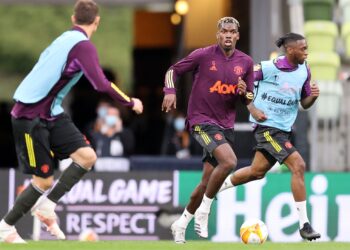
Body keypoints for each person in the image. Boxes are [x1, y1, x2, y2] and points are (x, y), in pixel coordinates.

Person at [0, 0, 143, 243]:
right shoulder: (83, 46)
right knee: (43, 180)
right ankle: (5, 227)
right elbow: (100, 84)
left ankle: (47, 207)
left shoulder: (63, 39)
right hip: (29, 117)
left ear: (72, 18)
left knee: (87, 157)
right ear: (96, 22)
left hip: (51, 113)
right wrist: (130, 101)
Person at [219, 33, 321, 241]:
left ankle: (214, 187)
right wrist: (252, 107)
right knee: (298, 166)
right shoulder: (266, 68)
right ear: (291, 50)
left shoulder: (305, 70)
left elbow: (304, 103)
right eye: (303, 49)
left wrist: (313, 97)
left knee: (256, 172)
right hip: (267, 127)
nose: (306, 52)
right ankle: (305, 225)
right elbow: (241, 84)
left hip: (284, 129)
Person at [162, 17, 254, 243]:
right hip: (201, 120)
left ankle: (181, 223)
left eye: (232, 31)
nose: (228, 35)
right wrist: (170, 91)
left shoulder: (247, 62)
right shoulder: (203, 55)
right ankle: (204, 211)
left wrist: (245, 93)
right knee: (230, 162)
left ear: (238, 36)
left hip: (225, 126)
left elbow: (250, 97)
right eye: (224, 31)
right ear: (218, 34)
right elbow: (173, 71)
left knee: (206, 182)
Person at [90, 106, 135, 171]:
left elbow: (130, 149)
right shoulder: (97, 134)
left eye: (114, 115)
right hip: (100, 171)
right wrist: (102, 132)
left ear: (119, 117)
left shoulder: (126, 133)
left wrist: (119, 131)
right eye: (109, 114)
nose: (111, 117)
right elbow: (92, 151)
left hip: (120, 170)